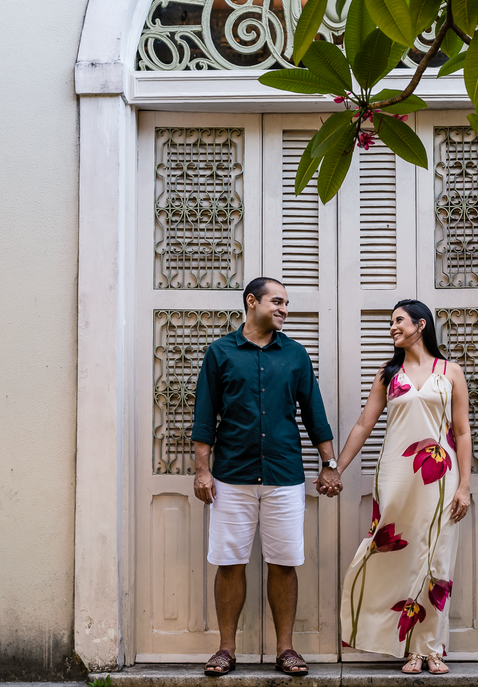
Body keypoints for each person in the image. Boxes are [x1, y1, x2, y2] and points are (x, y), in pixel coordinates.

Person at [191, 277, 343, 676]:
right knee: (229, 562)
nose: (284, 309)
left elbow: (314, 413)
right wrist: (202, 471)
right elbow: (205, 417)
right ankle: (225, 650)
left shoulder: (294, 355)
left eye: (287, 303)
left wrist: (329, 464)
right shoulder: (220, 352)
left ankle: (286, 650)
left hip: (284, 475)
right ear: (251, 301)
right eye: (277, 301)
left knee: (284, 562)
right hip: (231, 477)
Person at [321, 299, 471, 674]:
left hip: (440, 477)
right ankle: (404, 645)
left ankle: (430, 648)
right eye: (391, 322)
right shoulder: (388, 375)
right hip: (395, 476)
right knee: (393, 553)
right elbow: (363, 426)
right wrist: (336, 468)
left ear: (420, 325)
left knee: (438, 558)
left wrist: (464, 485)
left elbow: (463, 431)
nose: (392, 328)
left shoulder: (450, 371)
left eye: (399, 321)